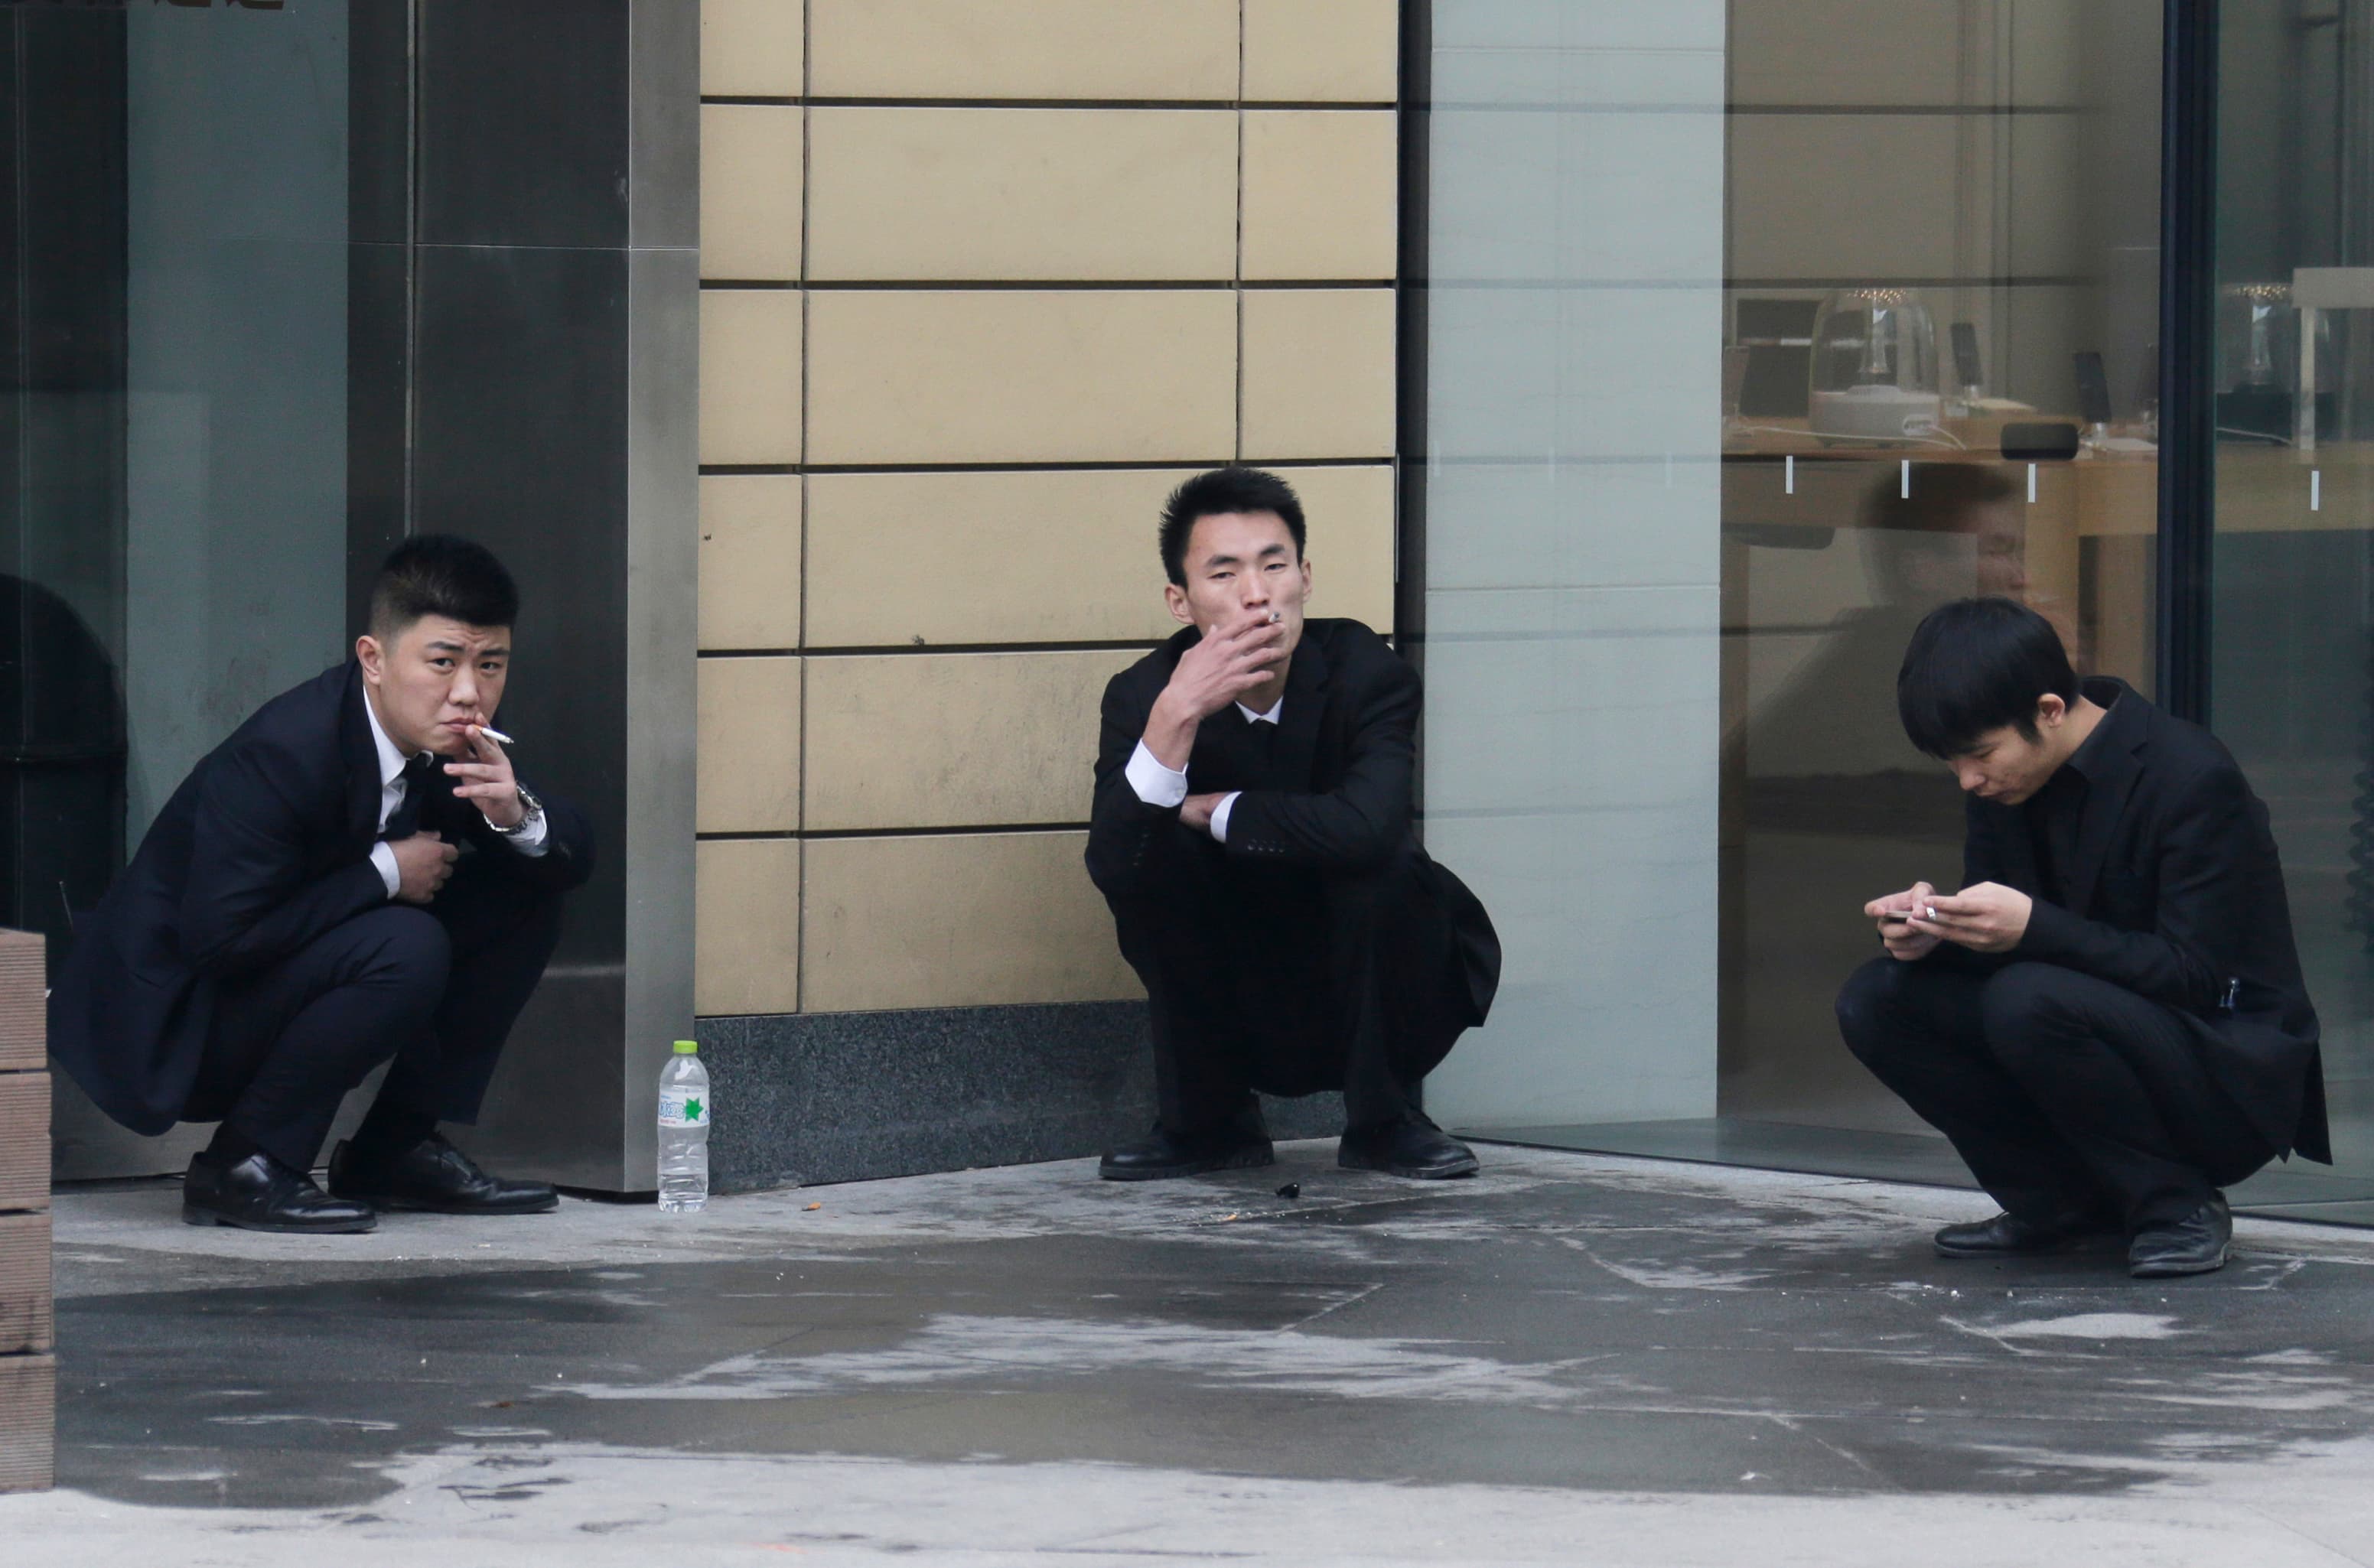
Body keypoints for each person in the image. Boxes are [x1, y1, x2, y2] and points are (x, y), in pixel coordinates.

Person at [48, 536, 595, 1234]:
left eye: (490, 665)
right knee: (406, 941)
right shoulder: (286, 752)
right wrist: (386, 872)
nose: (469, 692)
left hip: (274, 974)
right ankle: (243, 1166)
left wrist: (515, 814)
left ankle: (392, 1151)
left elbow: (571, 861)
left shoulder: (452, 735)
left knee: (520, 893)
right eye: (443, 663)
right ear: (374, 660)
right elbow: (220, 941)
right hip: (179, 1021)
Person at [1835, 597, 2328, 1277]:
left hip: (2223, 1070)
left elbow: (2199, 976)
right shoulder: (2003, 787)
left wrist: (2032, 927)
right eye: (1952, 763)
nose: (1968, 780)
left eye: (1979, 755)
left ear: (2048, 710)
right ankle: (2056, 1206)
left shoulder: (2189, 775)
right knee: (1877, 997)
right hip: (2077, 1019)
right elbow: (2012, 943)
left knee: (2029, 997)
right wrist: (1936, 929)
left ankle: (2177, 1205)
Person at [1086, 467, 1500, 1182]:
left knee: (1384, 866)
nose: (1255, 594)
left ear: (1304, 577)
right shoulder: (1143, 696)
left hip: (1376, 956)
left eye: (1273, 565)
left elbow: (1370, 827)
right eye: (1223, 573)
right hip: (1232, 960)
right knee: (1158, 864)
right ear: (1179, 602)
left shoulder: (1366, 670)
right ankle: (1206, 1123)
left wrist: (1218, 809)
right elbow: (1117, 869)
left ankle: (1385, 1119)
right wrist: (1175, 717)